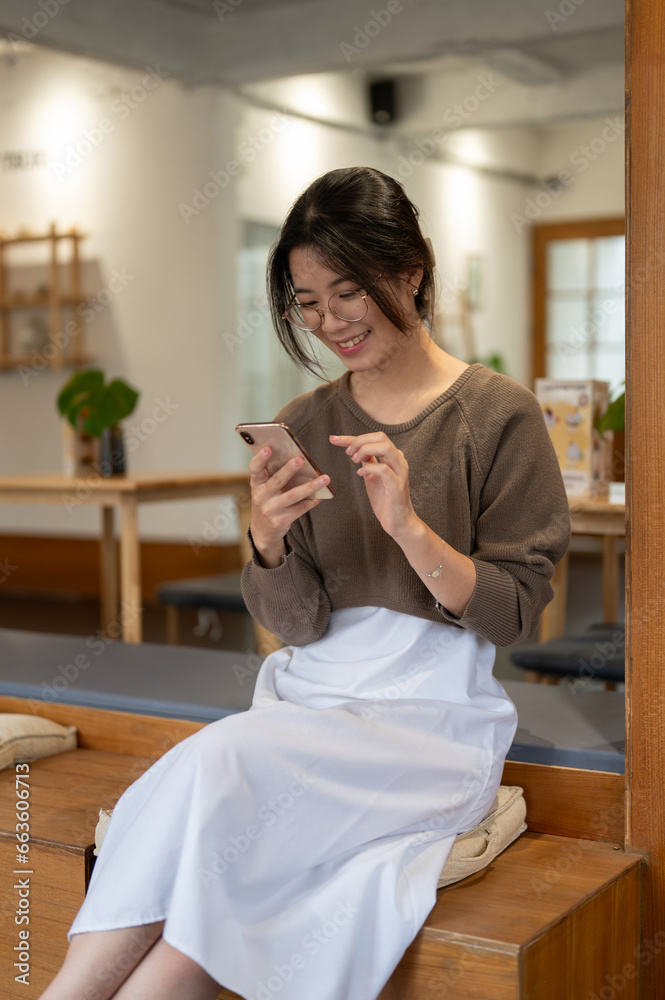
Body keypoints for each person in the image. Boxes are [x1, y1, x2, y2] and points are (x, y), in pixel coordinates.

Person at [42, 166, 570, 1000]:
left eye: (348, 292)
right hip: (309, 705)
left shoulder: (496, 413)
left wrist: (409, 527)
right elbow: (298, 626)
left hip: (430, 727)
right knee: (198, 921)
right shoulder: (304, 421)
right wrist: (266, 543)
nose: (328, 322)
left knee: (211, 766)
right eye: (306, 302)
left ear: (409, 271)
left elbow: (510, 617)